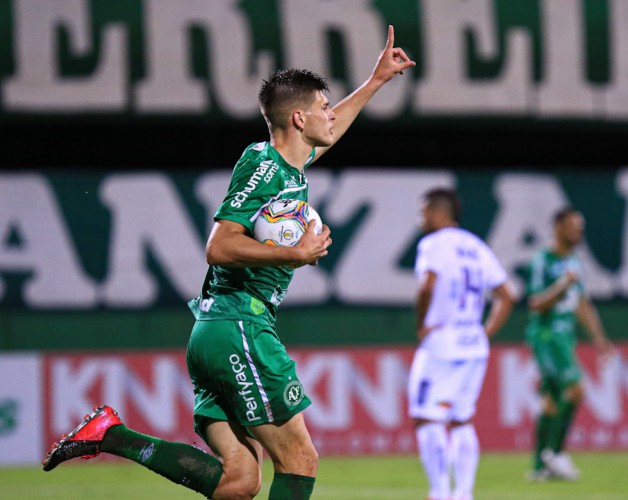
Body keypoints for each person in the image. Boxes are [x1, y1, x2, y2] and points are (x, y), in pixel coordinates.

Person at [42, 25, 416, 500]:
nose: (330, 114)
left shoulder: (287, 167)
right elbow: (219, 247)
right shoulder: (264, 169)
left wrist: (376, 81)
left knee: (238, 483)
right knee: (299, 460)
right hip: (241, 325)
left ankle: (109, 435)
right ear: (299, 118)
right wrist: (294, 253)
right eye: (323, 106)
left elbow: (332, 129)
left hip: (215, 331)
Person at [408, 188, 517, 500]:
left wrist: (422, 325)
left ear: (438, 212)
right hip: (473, 344)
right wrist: (484, 332)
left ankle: (440, 493)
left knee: (426, 417)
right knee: (461, 419)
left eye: (423, 212)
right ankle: (464, 493)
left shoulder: (433, 244)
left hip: (442, 343)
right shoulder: (475, 245)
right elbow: (507, 295)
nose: (420, 219)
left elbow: (427, 285)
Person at [525, 207, 614, 482]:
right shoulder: (543, 260)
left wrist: (600, 340)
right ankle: (557, 453)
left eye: (580, 228)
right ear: (558, 228)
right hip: (546, 336)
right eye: (573, 227)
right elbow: (535, 303)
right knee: (576, 389)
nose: (578, 232)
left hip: (565, 338)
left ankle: (540, 466)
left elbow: (583, 305)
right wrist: (561, 285)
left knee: (551, 402)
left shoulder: (576, 263)